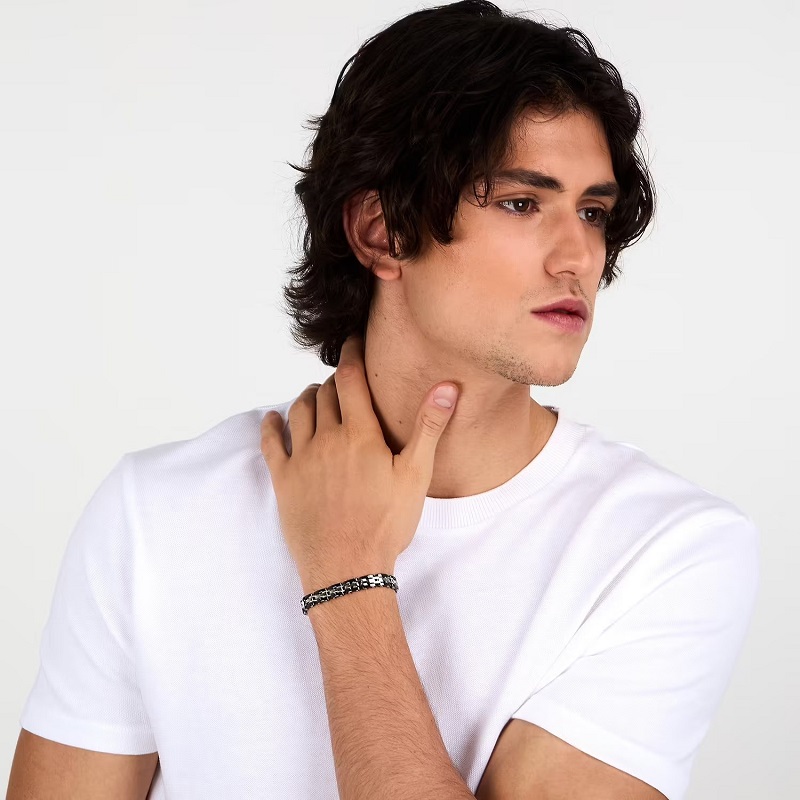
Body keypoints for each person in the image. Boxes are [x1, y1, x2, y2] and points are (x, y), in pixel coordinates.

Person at [7, 2, 759, 799]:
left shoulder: (667, 551)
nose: (578, 255)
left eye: (593, 212)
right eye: (520, 202)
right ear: (380, 232)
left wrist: (347, 573)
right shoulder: (156, 512)